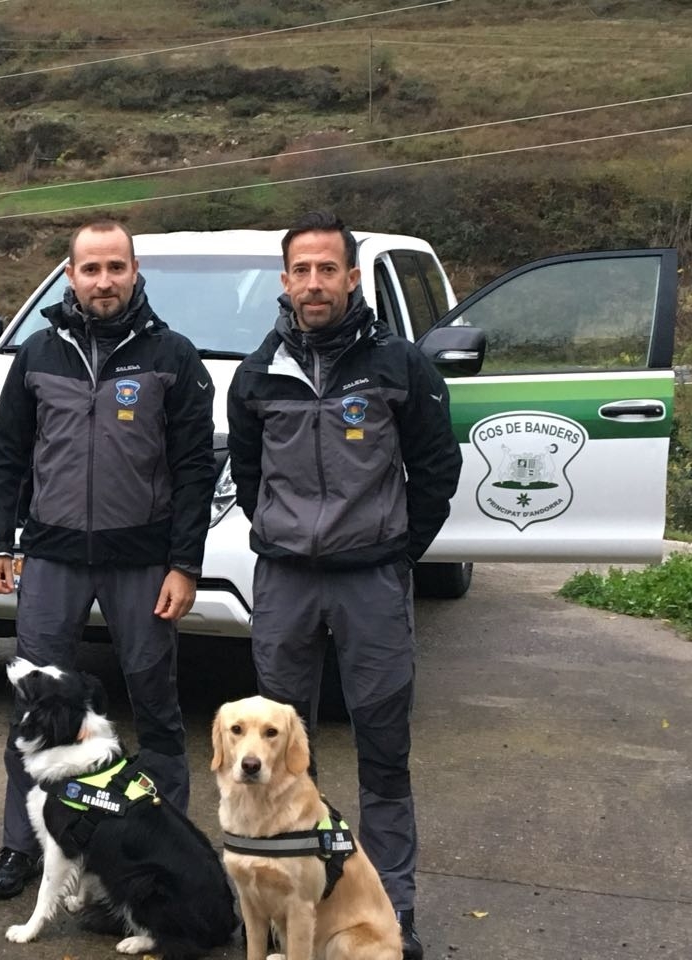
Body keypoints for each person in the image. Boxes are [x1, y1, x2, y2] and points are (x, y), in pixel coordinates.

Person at [226, 211, 463, 960]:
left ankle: (391, 911)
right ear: (285, 279)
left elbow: (436, 470)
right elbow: (249, 471)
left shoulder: (398, 364)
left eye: (329, 269)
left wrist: (395, 551)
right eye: (302, 270)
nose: (315, 282)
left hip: (371, 584)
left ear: (352, 278)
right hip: (288, 582)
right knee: (288, 758)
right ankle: (298, 897)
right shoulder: (259, 372)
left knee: (384, 752)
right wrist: (290, 535)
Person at [0, 218, 217, 899]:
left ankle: (164, 846)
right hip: (51, 556)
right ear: (69, 274)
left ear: (135, 272)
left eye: (116, 267)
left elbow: (195, 469)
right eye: (91, 268)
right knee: (35, 709)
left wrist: (185, 563)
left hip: (142, 561)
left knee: (156, 703)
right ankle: (23, 847)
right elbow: (7, 457)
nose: (103, 280)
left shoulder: (173, 356)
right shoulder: (38, 355)